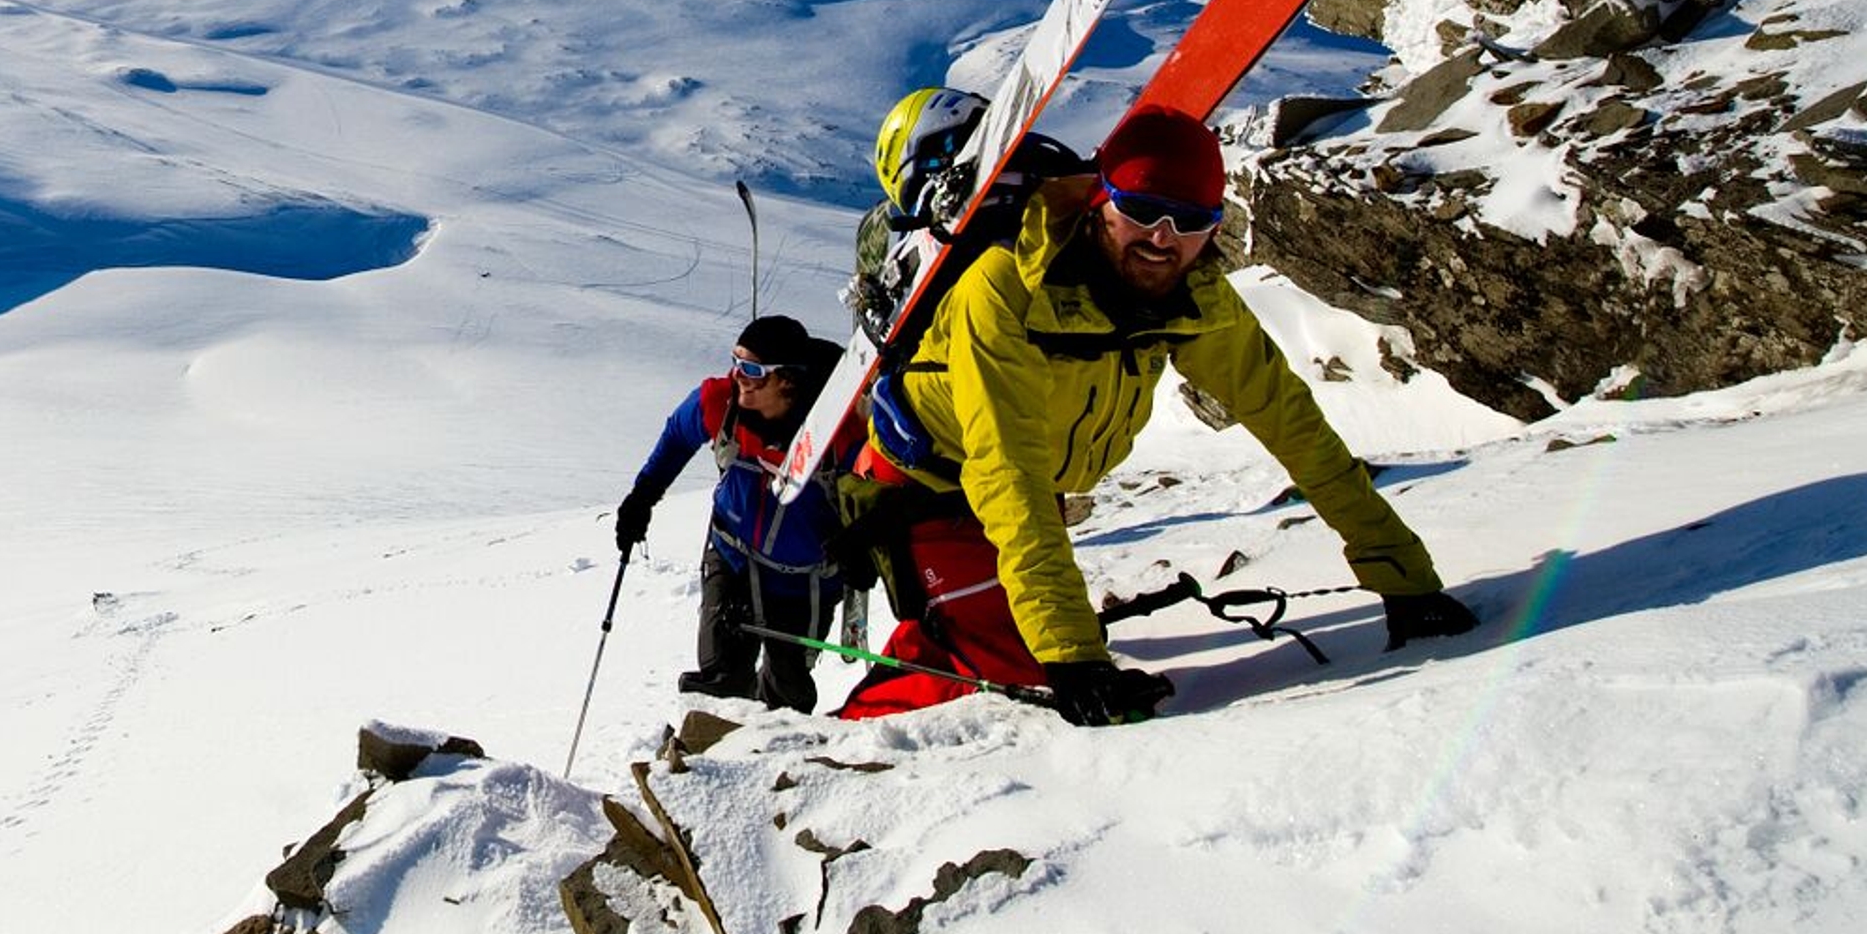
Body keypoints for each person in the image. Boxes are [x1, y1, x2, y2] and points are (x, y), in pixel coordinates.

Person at [834, 106, 1483, 726]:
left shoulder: (1196, 295)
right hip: (922, 484)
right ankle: (821, 752)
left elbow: (1296, 429)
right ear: (1099, 201)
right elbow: (1007, 470)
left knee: (1026, 646)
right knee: (1012, 670)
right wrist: (1071, 656)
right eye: (1141, 211)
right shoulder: (1005, 289)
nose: (1161, 239)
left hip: (1018, 488)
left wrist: (1405, 580)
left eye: (1189, 220)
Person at [614, 313, 848, 709]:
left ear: (786, 379)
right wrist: (642, 496)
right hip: (732, 554)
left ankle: (772, 760)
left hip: (803, 579)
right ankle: (708, 759)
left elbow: (879, 484)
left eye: (752, 369)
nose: (737, 374)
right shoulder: (720, 402)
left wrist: (863, 542)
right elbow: (676, 437)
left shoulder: (837, 427)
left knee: (788, 690)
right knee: (722, 676)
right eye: (736, 361)